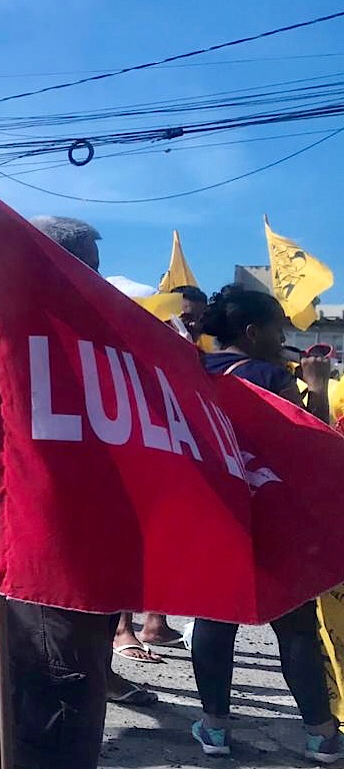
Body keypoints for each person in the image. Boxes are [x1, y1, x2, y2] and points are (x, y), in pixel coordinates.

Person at [0, 178, 156, 769]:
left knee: (34, 686)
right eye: (80, 265)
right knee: (53, 689)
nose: (91, 278)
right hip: (30, 531)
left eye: (93, 267)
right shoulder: (10, 324)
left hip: (84, 530)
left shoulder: (107, 334)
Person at [188, 285, 340, 762]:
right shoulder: (270, 375)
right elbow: (308, 447)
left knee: (214, 621)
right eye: (279, 327)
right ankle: (321, 735)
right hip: (270, 515)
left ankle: (214, 729)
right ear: (253, 333)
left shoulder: (192, 372)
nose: (285, 335)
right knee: (294, 626)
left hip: (215, 511)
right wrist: (316, 388)